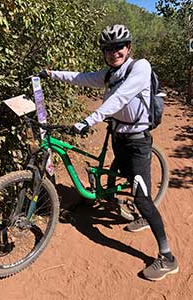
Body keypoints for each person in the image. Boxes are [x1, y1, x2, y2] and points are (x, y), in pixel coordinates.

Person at [39, 24, 178, 281]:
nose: (114, 52)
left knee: (143, 199)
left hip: (137, 141)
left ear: (128, 48)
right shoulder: (108, 74)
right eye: (109, 49)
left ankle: (167, 257)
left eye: (119, 47)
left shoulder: (141, 67)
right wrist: (49, 73)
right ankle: (123, 203)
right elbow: (80, 77)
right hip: (118, 135)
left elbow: (120, 99)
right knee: (120, 175)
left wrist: (88, 120)